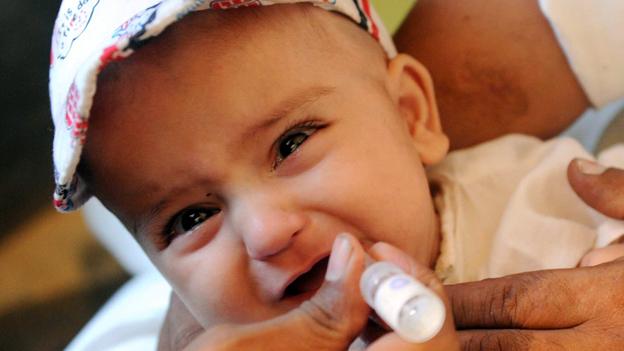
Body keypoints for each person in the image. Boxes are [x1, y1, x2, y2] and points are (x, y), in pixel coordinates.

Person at [47, 1, 624, 350]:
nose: (266, 232)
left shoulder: (557, 209)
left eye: (291, 143)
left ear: (411, 115)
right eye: (191, 217)